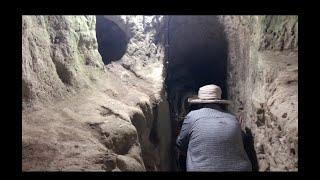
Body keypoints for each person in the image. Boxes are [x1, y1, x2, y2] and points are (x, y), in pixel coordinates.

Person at [176, 84, 252, 171]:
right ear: (220, 103)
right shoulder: (232, 118)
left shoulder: (192, 116)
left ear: (199, 103)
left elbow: (181, 144)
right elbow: (242, 141)